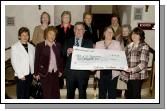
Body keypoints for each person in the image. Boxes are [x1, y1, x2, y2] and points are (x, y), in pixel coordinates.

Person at [64, 22, 93, 99]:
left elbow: (90, 57)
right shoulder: (68, 41)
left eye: (81, 29)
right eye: (77, 29)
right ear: (74, 30)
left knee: (82, 95)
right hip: (70, 73)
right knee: (70, 95)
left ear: (84, 31)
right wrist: (67, 52)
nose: (79, 31)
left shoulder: (89, 43)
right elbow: (62, 53)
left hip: (83, 74)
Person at [120, 27, 150, 99]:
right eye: (133, 34)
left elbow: (143, 64)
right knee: (130, 95)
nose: (134, 36)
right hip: (128, 75)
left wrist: (132, 70)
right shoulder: (129, 46)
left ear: (140, 36)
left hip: (137, 76)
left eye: (137, 34)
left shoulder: (144, 46)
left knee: (135, 96)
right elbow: (124, 58)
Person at [34, 26, 63, 99]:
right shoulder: (40, 46)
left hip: (55, 73)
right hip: (44, 74)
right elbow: (37, 60)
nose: (52, 36)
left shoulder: (58, 45)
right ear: (46, 35)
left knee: (55, 94)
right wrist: (36, 73)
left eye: (54, 34)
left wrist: (61, 70)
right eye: (50, 34)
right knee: (47, 94)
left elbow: (60, 59)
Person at [95, 26, 122, 99]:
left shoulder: (117, 44)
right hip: (101, 72)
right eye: (107, 32)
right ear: (104, 33)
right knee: (102, 94)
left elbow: (120, 58)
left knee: (112, 94)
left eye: (111, 32)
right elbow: (95, 58)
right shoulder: (98, 44)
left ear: (113, 34)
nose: (109, 33)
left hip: (113, 72)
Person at [11, 27, 35, 99]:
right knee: (21, 95)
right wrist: (20, 75)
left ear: (28, 36)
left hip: (30, 74)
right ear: (19, 36)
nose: (25, 37)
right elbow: (14, 62)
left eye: (27, 35)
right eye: (23, 35)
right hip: (21, 75)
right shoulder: (15, 47)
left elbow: (33, 60)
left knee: (27, 94)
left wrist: (33, 72)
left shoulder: (32, 47)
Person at [55, 11, 74, 89]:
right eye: (64, 17)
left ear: (70, 19)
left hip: (71, 52)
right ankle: (60, 85)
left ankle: (70, 84)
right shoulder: (56, 28)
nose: (66, 18)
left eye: (68, 17)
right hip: (59, 52)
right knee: (60, 68)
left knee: (69, 69)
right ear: (62, 18)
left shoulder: (74, 28)